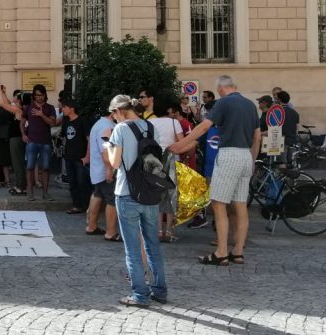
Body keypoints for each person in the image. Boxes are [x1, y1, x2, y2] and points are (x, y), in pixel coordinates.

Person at [169, 75, 261, 266]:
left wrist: (181, 144)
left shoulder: (223, 103)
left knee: (219, 205)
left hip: (228, 154)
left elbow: (204, 127)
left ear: (220, 89)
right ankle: (238, 251)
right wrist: (251, 160)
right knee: (241, 205)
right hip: (246, 155)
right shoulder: (250, 105)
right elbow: (257, 136)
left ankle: (221, 252)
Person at [106, 95, 167, 307]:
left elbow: (114, 164)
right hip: (150, 191)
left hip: (127, 192)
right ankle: (160, 290)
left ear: (120, 111)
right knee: (152, 244)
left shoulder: (120, 129)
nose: (113, 117)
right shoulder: (150, 127)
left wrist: (109, 146)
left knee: (132, 247)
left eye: (114, 113)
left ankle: (140, 295)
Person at [149, 104, 184, 242]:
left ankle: (158, 230)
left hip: (154, 162)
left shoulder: (150, 122)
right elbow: (182, 142)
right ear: (168, 110)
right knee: (171, 196)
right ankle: (169, 231)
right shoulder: (174, 122)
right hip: (171, 160)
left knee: (156, 196)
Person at [86, 106, 118, 239]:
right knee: (112, 200)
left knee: (98, 194)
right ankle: (110, 232)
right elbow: (105, 150)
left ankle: (91, 226)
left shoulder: (98, 124)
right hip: (104, 169)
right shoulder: (107, 127)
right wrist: (109, 169)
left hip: (98, 169)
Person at [23, 85, 57, 201]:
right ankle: (30, 193)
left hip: (45, 142)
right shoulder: (28, 108)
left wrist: (41, 115)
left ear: (45, 95)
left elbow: (52, 123)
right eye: (37, 95)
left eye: (41, 95)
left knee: (46, 168)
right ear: (34, 96)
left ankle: (45, 193)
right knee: (30, 167)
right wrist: (23, 134)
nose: (39, 97)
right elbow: (22, 122)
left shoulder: (50, 108)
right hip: (32, 141)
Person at [60, 98, 90, 214]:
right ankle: (76, 205)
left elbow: (89, 139)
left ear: (71, 108)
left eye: (64, 107)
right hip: (69, 157)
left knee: (82, 183)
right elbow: (64, 138)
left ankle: (86, 206)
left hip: (80, 158)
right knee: (72, 183)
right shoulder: (66, 122)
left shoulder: (82, 121)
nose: (63, 109)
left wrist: (87, 156)